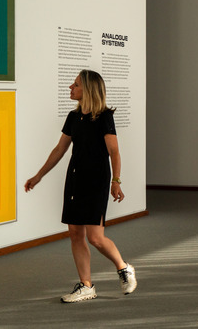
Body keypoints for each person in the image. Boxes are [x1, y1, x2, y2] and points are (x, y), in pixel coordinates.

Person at [25, 69, 137, 303]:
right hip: (75, 178)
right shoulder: (73, 117)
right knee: (75, 233)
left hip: (96, 179)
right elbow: (59, 150)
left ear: (88, 89)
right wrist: (38, 176)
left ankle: (123, 267)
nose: (70, 87)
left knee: (95, 237)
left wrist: (116, 181)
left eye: (75, 84)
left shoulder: (104, 116)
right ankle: (86, 286)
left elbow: (114, 151)